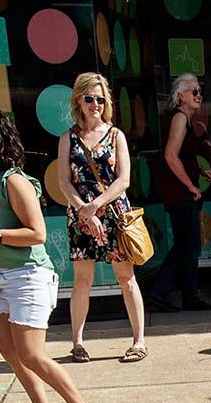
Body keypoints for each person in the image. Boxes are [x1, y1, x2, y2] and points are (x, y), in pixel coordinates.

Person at [0, 105, 98, 403]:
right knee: (9, 351)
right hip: (1, 277)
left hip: (28, 276)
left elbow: (36, 233)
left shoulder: (14, 180)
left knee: (32, 354)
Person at [56, 73, 149, 363]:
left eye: (100, 99)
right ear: (78, 100)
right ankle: (77, 342)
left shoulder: (116, 135)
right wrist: (84, 211)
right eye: (89, 98)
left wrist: (94, 206)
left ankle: (139, 341)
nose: (95, 104)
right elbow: (64, 182)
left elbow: (123, 180)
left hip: (113, 214)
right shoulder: (68, 138)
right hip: (82, 216)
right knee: (82, 279)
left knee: (126, 277)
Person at [145, 74, 211, 314]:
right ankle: (166, 290)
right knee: (189, 244)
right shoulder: (179, 118)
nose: (199, 96)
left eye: (199, 91)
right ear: (180, 96)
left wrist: (200, 169)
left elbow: (183, 156)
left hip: (178, 192)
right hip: (178, 193)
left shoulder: (183, 119)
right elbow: (170, 156)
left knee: (187, 244)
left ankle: (182, 293)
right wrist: (191, 185)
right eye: (194, 92)